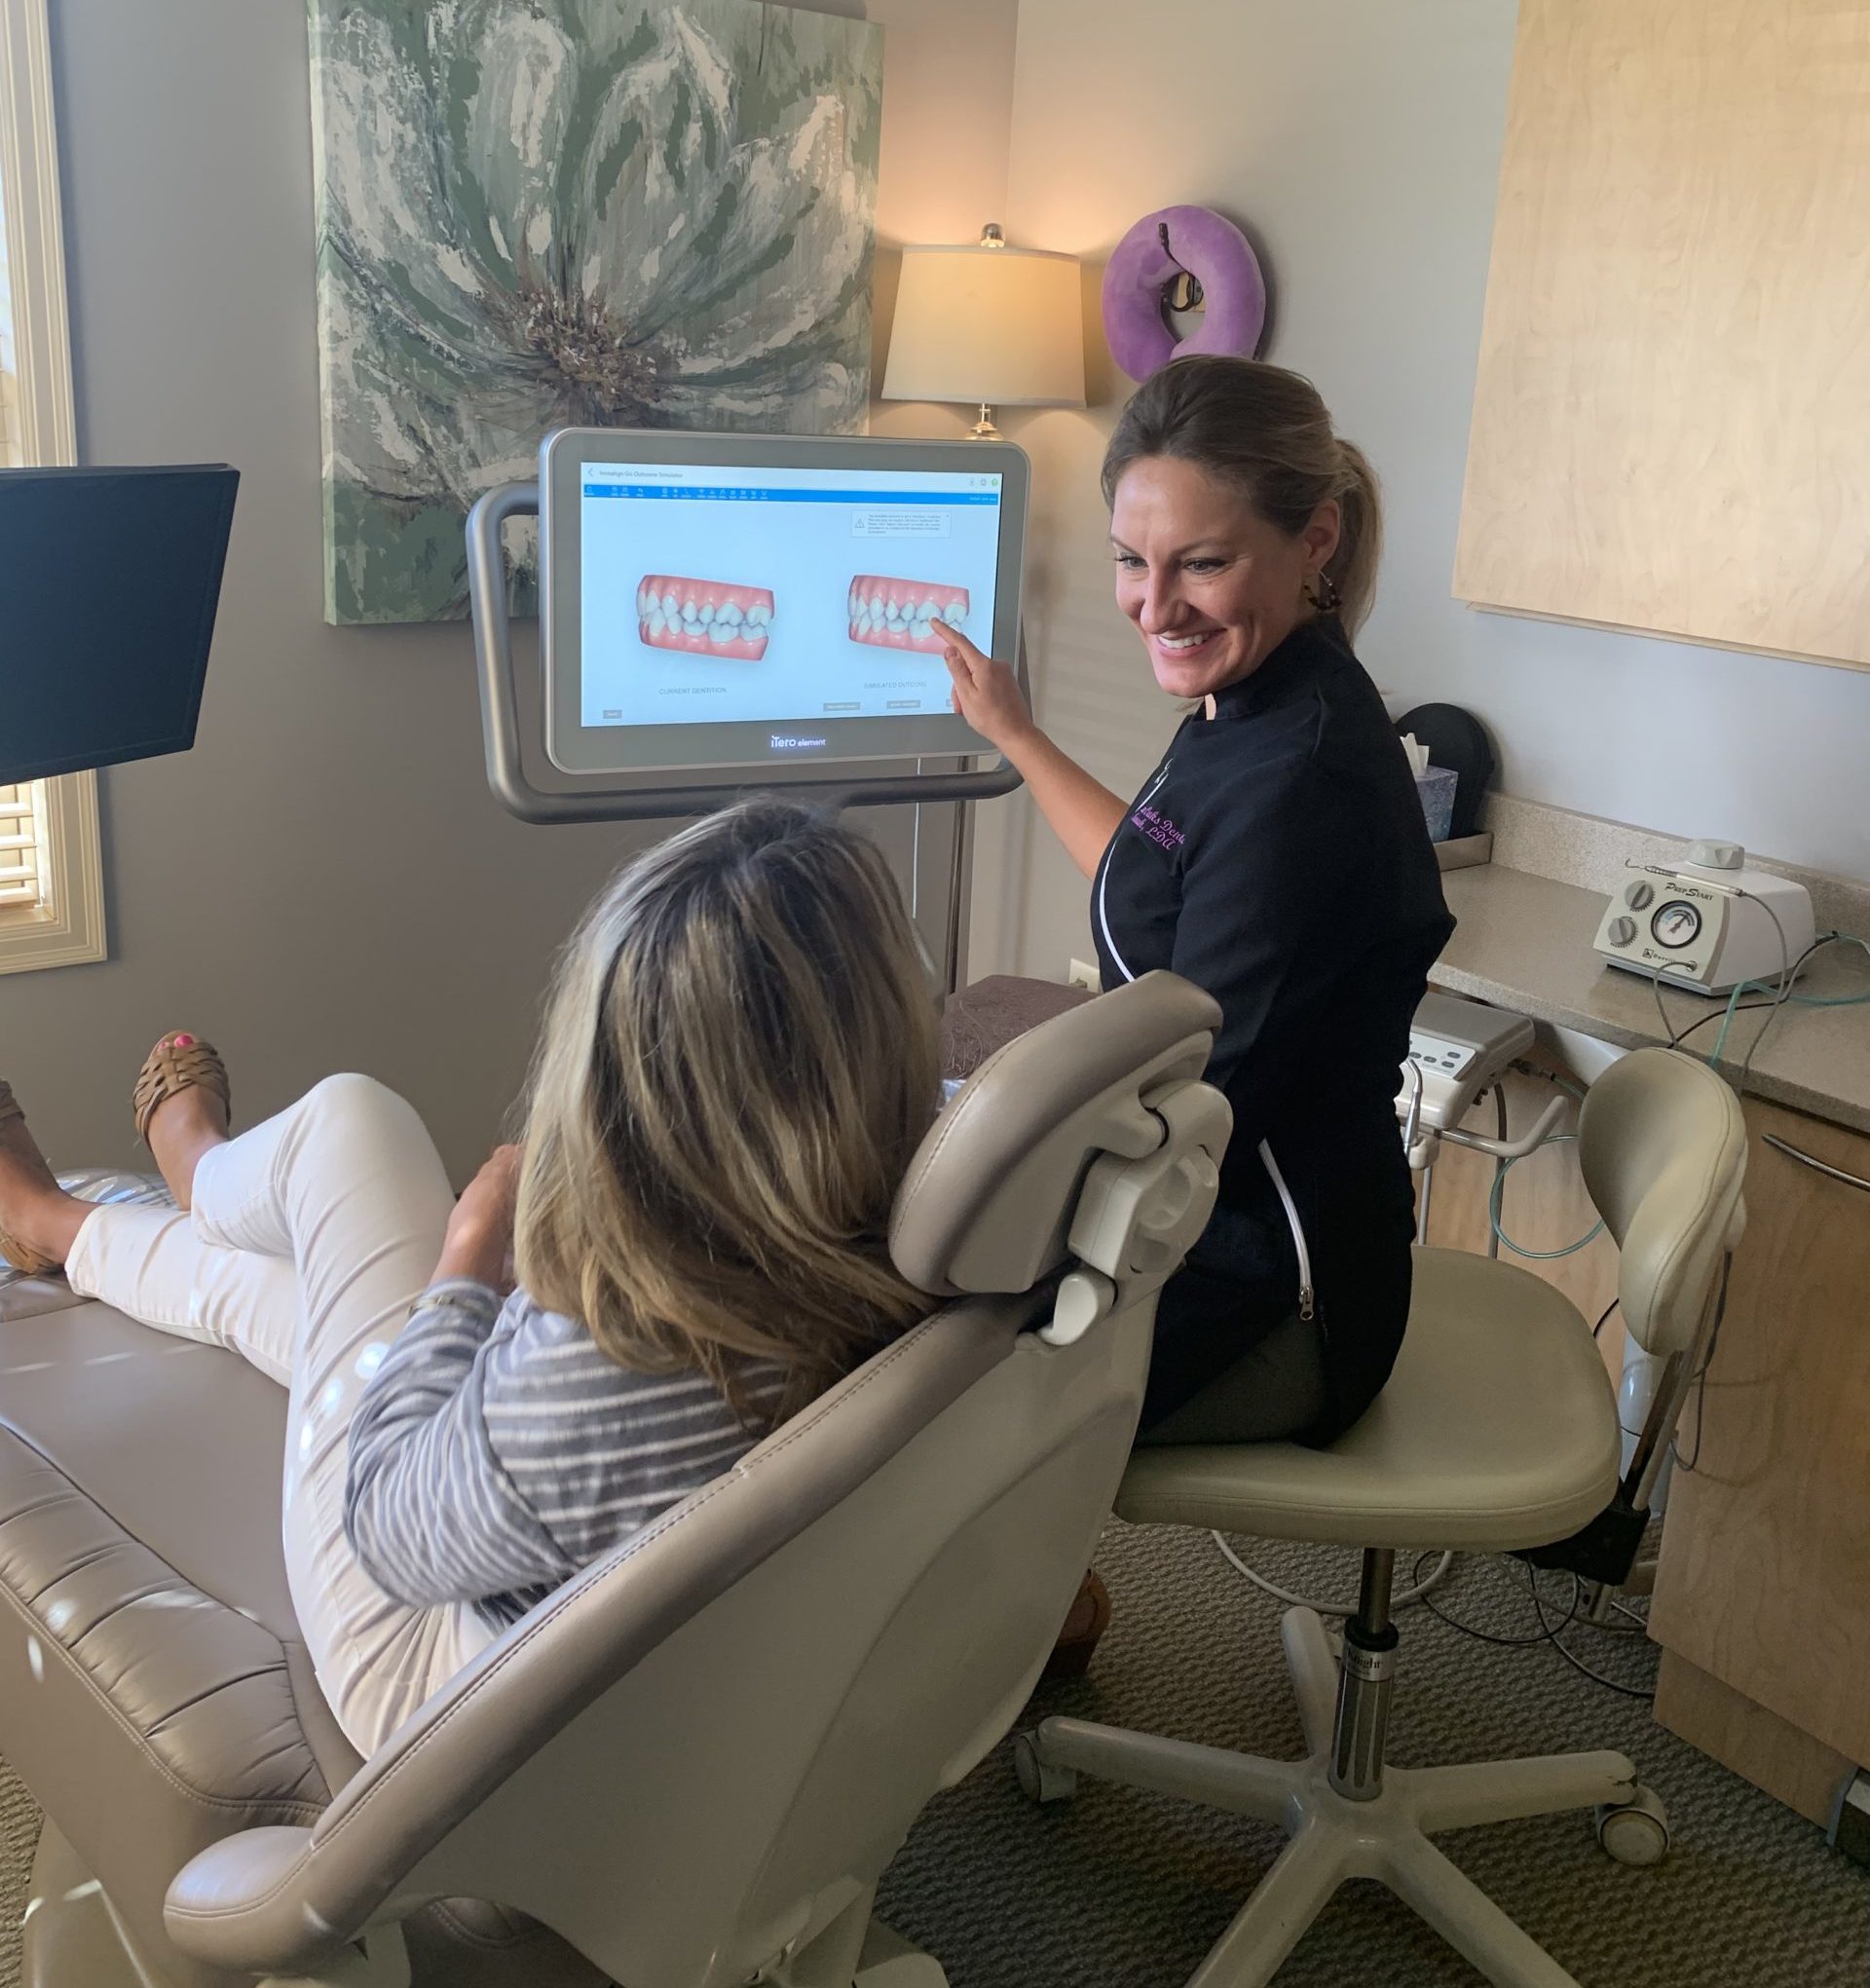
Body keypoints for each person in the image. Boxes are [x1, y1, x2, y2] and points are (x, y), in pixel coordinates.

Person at [0, 798, 941, 1755]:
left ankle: (193, 1173)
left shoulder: (616, 1365)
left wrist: (467, 1254)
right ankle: (73, 1227)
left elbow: (386, 1514)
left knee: (349, 1123)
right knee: (316, 1291)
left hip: (424, 1667)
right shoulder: (929, 1204)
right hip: (595, 1605)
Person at [938, 355, 1453, 1458]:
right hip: (1196, 1216)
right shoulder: (1251, 698)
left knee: (912, 1404)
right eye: (1132, 561)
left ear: (1314, 540)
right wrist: (1019, 735)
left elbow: (1188, 1116)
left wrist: (963, 1148)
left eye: (1202, 564)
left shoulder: (1300, 781)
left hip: (1281, 1289)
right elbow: (1157, 867)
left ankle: (1046, 1615)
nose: (1154, 606)